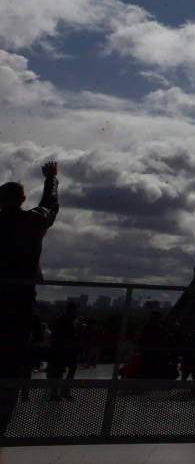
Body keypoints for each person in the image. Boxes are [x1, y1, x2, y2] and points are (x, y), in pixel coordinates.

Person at [0, 161, 59, 428]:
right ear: (23, 199)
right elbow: (51, 207)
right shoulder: (33, 221)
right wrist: (51, 180)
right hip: (20, 300)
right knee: (12, 362)